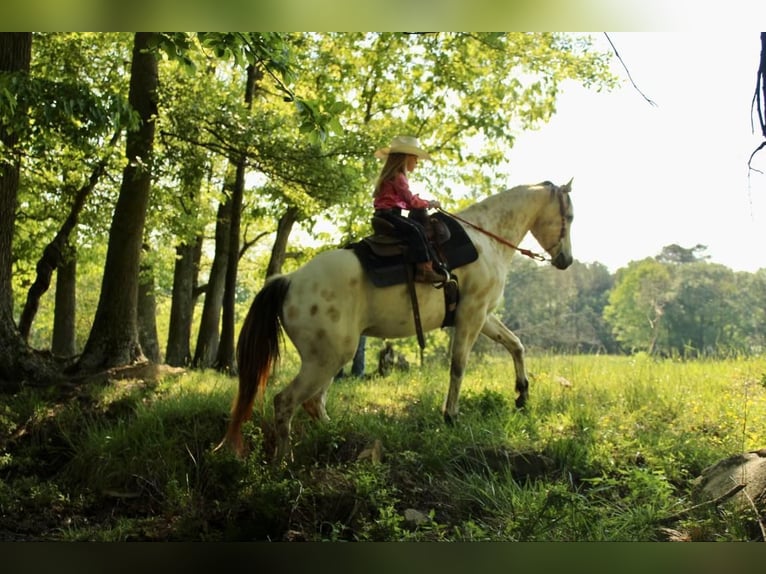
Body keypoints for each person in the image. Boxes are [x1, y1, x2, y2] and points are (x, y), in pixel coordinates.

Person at [372, 135, 447, 284]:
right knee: (417, 229)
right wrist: (429, 203)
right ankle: (424, 270)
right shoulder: (398, 177)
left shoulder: (391, 176)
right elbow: (410, 201)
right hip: (390, 215)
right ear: (406, 158)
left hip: (384, 215)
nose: (417, 162)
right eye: (415, 158)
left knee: (415, 228)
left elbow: (405, 202)